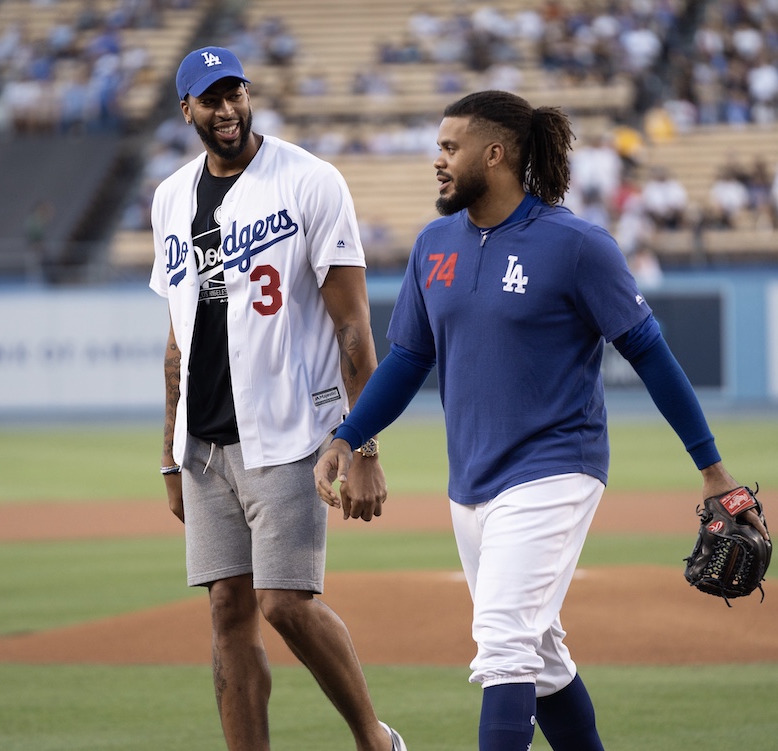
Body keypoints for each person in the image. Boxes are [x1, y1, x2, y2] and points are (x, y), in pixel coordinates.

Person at [313, 89, 770, 751]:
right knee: (543, 658)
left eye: (450, 146)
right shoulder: (434, 244)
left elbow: (650, 352)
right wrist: (350, 435)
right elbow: (410, 359)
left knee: (502, 647)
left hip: (556, 469)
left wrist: (713, 470)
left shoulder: (575, 244)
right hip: (469, 485)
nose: (437, 160)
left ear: (494, 153)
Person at [148, 46, 406, 751]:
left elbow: (353, 324)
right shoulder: (170, 197)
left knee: (285, 602)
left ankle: (374, 738)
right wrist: (170, 455)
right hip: (204, 445)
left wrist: (364, 443)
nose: (226, 110)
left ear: (249, 94)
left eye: (235, 93)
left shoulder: (310, 182)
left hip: (290, 431)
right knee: (228, 609)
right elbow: (176, 339)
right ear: (187, 111)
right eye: (211, 99)